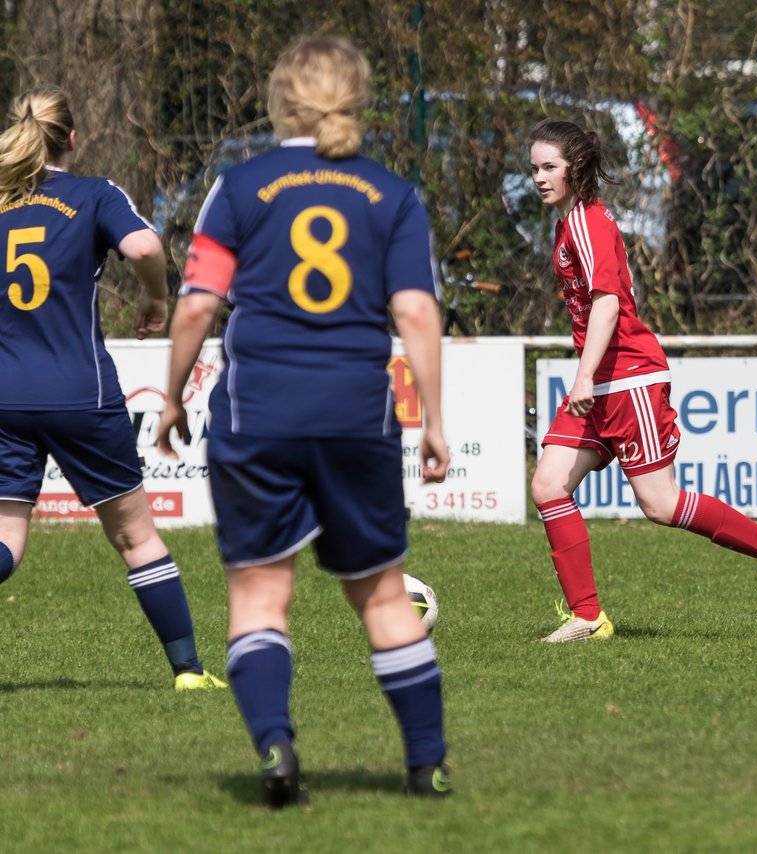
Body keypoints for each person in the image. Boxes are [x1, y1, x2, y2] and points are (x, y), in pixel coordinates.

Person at [156, 35, 452, 807]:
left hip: (260, 415)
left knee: (259, 599)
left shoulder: (241, 186)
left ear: (280, 98)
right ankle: (427, 764)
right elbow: (415, 309)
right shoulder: (393, 194)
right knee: (385, 596)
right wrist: (435, 421)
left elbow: (196, 306)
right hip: (357, 415)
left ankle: (277, 747)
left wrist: (172, 394)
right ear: (359, 100)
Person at [527, 119, 757, 643]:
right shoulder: (570, 221)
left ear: (575, 169)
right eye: (535, 168)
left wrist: (584, 376)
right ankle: (588, 617)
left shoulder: (588, 224)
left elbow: (608, 303)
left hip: (629, 378)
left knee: (660, 505)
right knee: (549, 485)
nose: (539, 177)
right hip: (603, 383)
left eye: (549, 167)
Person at [0, 86, 226, 690]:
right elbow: (146, 245)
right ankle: (188, 673)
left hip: (4, 396)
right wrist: (156, 294)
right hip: (79, 391)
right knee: (133, 535)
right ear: (72, 138)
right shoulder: (94, 193)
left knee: (6, 540)